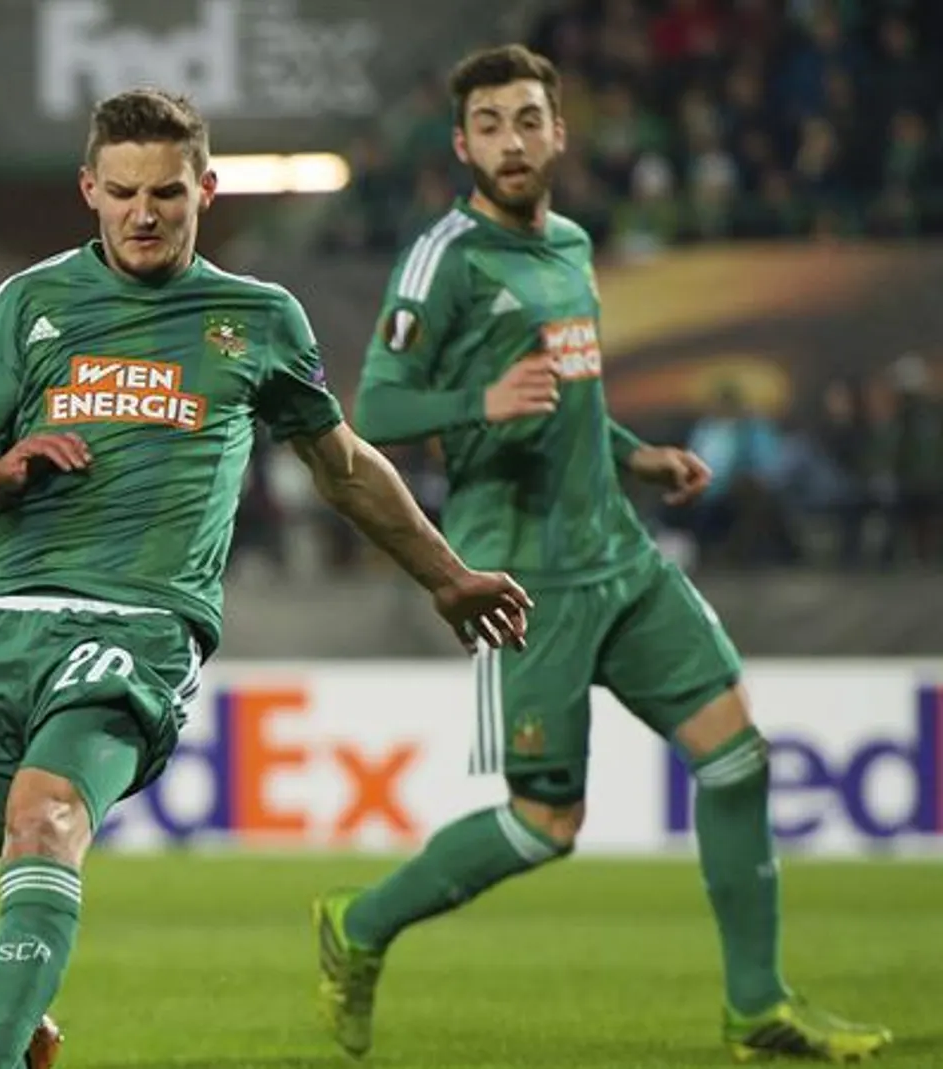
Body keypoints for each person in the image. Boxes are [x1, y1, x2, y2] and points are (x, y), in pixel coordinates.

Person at [0, 87, 531, 1069]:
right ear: (90, 190)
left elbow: (343, 467)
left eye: (167, 193)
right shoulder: (29, 303)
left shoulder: (257, 319)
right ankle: (14, 1033)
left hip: (137, 624)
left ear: (206, 191)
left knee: (44, 816)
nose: (144, 213)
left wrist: (446, 576)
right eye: (124, 192)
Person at [320, 44, 893, 1063]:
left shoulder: (573, 245)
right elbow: (376, 410)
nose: (510, 140)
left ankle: (756, 1010)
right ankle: (359, 923)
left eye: (526, 119)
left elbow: (568, 398)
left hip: (620, 557)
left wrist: (636, 455)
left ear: (558, 132)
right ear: (461, 145)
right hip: (520, 578)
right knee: (547, 823)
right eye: (488, 124)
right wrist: (479, 401)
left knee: (738, 758)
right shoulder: (443, 259)